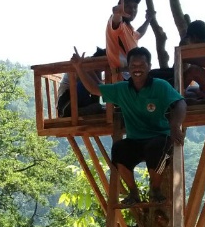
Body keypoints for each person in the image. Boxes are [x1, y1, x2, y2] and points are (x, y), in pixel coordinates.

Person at [71, 46, 186, 206]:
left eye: (141, 65)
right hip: (135, 140)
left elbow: (180, 103)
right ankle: (133, 193)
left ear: (149, 66)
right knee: (119, 150)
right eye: (133, 65)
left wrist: (175, 125)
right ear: (129, 68)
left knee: (159, 149)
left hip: (159, 138)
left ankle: (155, 189)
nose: (137, 69)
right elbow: (94, 89)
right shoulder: (122, 89)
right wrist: (79, 68)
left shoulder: (160, 86)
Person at [105, 0, 154, 80]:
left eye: (135, 7)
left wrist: (148, 20)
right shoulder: (117, 25)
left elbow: (139, 33)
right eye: (128, 6)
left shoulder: (129, 30)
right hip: (122, 79)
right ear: (120, 7)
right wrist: (117, 14)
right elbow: (115, 22)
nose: (132, 10)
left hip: (134, 77)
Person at [57, 47, 106, 117]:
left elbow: (99, 89)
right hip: (66, 103)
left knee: (97, 101)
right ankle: (71, 112)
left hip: (79, 102)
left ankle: (90, 108)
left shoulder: (97, 71)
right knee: (88, 83)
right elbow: (100, 87)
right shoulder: (86, 64)